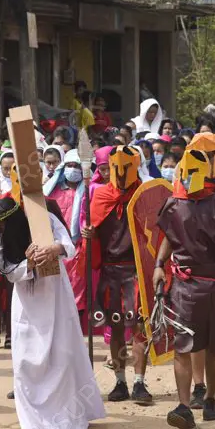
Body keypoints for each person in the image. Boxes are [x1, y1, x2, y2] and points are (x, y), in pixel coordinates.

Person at [0, 197, 107, 429]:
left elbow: (68, 245)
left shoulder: (44, 221)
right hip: (28, 308)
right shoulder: (2, 239)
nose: (1, 230)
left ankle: (70, 420)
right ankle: (32, 424)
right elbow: (8, 271)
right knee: (26, 364)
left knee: (62, 357)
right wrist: (28, 263)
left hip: (56, 299)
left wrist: (55, 249)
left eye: (5, 225)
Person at [153, 149, 215, 429]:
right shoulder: (172, 205)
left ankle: (209, 397)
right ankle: (183, 405)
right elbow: (169, 238)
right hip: (183, 286)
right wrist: (159, 264)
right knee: (183, 346)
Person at [85, 145, 153, 404]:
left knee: (138, 327)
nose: (122, 173)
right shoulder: (101, 195)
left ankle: (139, 383)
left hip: (135, 271)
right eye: (117, 168)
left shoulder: (144, 195)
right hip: (111, 270)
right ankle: (120, 382)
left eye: (127, 167)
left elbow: (153, 232)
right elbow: (93, 228)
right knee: (115, 327)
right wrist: (89, 235)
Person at [46, 149, 89, 321]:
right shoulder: (53, 190)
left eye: (77, 166)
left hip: (78, 248)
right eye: (69, 165)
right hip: (55, 248)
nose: (73, 169)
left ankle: (75, 325)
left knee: (77, 288)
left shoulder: (87, 190)